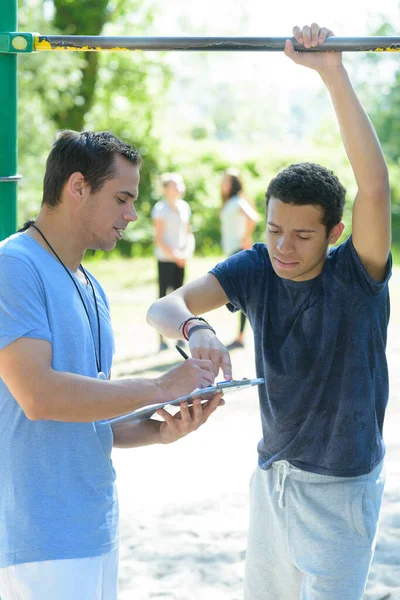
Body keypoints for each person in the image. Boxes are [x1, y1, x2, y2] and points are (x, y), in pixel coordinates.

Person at [146, 23, 392, 600]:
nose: (283, 246)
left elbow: (375, 188)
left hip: (341, 488)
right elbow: (164, 306)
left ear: (335, 232)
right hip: (272, 480)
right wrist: (196, 327)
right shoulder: (257, 266)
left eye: (302, 236)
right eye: (276, 229)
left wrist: (332, 72)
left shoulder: (356, 274)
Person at [0, 131, 222, 600]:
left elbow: (93, 419)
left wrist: (162, 428)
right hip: (37, 542)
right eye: (122, 198)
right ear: (77, 187)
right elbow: (39, 397)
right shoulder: (13, 266)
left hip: (94, 530)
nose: (133, 214)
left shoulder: (93, 288)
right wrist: (161, 385)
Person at [151, 172, 195, 351]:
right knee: (164, 296)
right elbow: (159, 238)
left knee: (180, 298)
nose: (178, 187)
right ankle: (161, 338)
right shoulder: (160, 209)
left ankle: (180, 336)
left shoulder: (184, 207)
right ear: (166, 188)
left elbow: (188, 233)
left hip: (181, 260)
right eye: (174, 184)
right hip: (166, 259)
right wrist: (175, 255)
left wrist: (186, 253)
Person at [220, 167, 259, 349]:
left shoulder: (237, 201)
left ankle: (241, 336)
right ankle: (241, 335)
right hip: (232, 251)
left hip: (238, 250)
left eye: (226, 181)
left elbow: (252, 218)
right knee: (238, 295)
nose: (223, 184)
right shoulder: (229, 202)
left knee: (241, 295)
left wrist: (245, 238)